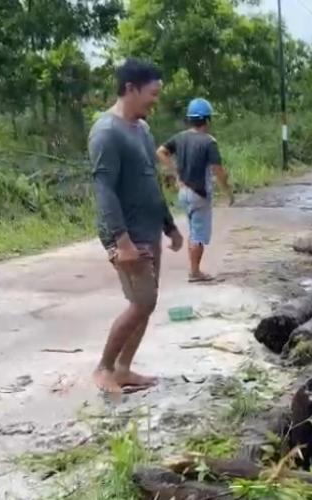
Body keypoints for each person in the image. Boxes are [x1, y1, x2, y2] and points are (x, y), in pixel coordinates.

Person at [88, 58, 184, 394]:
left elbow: (150, 182)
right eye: (152, 94)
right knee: (141, 301)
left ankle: (123, 368)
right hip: (126, 236)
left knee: (149, 301)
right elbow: (104, 191)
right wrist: (121, 242)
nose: (155, 101)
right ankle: (103, 369)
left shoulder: (142, 130)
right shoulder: (105, 132)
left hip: (148, 230)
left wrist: (169, 225)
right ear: (130, 89)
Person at [156, 98, 234, 283]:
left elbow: (160, 151)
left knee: (193, 230)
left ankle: (194, 269)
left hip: (183, 192)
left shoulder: (180, 137)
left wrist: (175, 172)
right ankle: (195, 272)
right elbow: (218, 171)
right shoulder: (209, 142)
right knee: (198, 235)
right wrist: (228, 192)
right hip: (200, 194)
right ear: (207, 120)